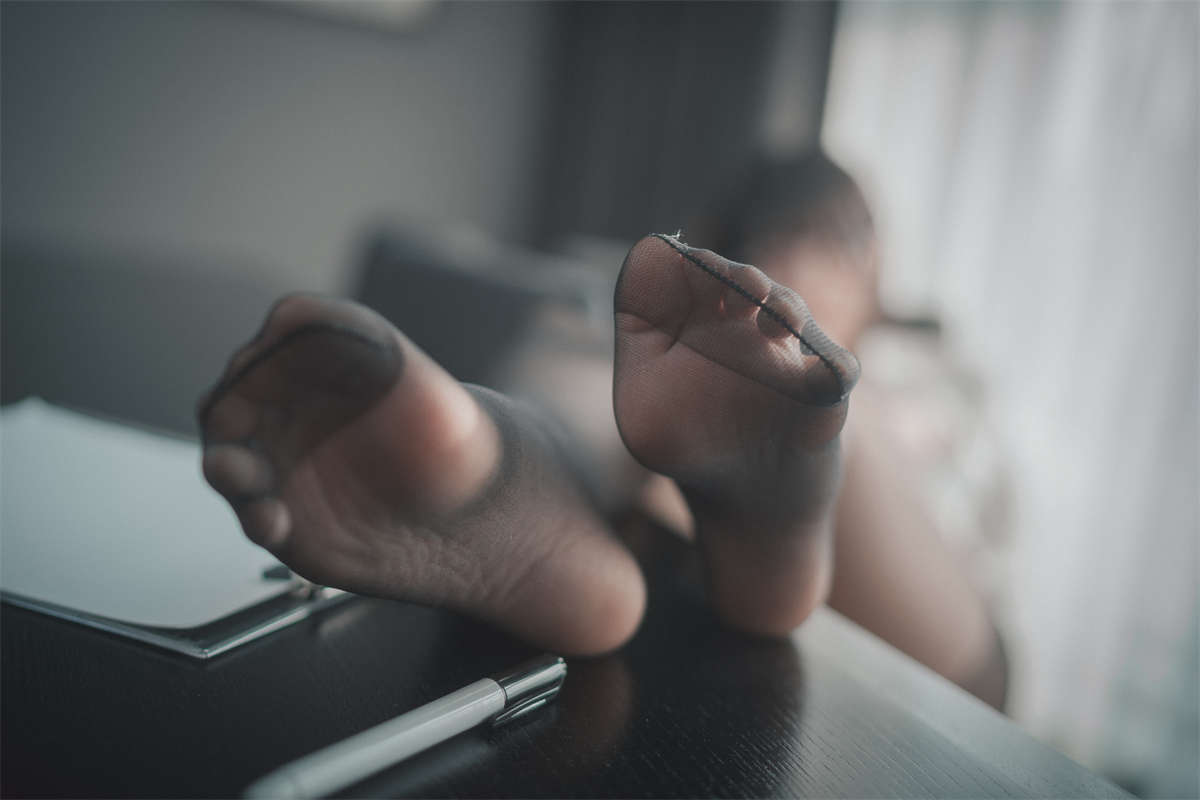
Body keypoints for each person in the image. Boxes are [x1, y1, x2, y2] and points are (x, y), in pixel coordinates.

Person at [197, 151, 1007, 709]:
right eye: (787, 243)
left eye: (832, 248)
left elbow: (980, 666)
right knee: (611, 377)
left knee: (827, 396)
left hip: (937, 644)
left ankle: (524, 463)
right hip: (674, 534)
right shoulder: (659, 320)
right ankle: (509, 477)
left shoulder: (924, 363)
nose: (803, 270)